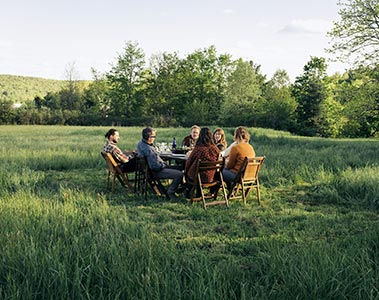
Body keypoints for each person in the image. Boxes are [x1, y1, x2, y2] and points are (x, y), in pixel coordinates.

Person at [137, 127, 183, 199]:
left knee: (181, 167)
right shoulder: (149, 149)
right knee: (180, 174)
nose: (154, 138)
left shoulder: (141, 143)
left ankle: (183, 188)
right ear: (149, 137)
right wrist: (163, 165)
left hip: (150, 170)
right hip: (156, 171)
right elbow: (154, 166)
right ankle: (171, 192)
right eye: (153, 136)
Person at [184, 127, 220, 198]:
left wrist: (185, 171)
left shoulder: (198, 149)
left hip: (197, 177)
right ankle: (198, 193)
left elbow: (189, 161)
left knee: (190, 173)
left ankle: (187, 190)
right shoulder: (215, 149)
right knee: (196, 172)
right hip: (211, 177)